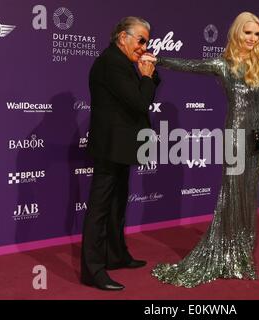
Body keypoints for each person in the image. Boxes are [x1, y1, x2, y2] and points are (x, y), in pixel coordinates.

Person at [145, 12, 259, 288]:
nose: (252, 39)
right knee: (231, 193)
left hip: (258, 139)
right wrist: (158, 60)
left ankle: (242, 256)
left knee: (249, 195)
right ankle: (227, 254)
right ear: (236, 34)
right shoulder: (223, 64)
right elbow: (190, 65)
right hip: (235, 135)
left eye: (256, 34)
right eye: (247, 33)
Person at [80, 16, 160, 291]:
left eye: (147, 41)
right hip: (110, 146)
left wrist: (148, 73)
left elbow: (140, 93)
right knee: (100, 209)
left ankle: (115, 255)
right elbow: (140, 102)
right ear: (122, 37)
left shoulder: (122, 62)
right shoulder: (111, 63)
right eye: (140, 40)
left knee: (117, 205)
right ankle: (92, 270)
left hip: (122, 146)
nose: (144, 46)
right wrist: (147, 76)